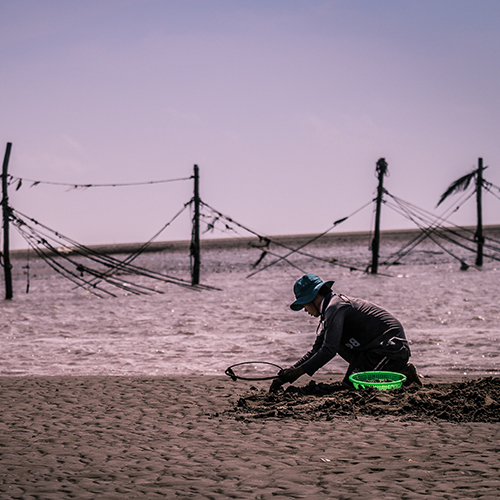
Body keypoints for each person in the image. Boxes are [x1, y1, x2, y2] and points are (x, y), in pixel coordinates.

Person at [270, 273, 421, 392]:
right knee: (336, 344)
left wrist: (298, 373)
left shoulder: (335, 308)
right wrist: (290, 372)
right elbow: (317, 349)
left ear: (313, 298)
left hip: (389, 348)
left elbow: (329, 350)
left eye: (304, 305)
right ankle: (400, 370)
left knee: (352, 386)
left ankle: (403, 372)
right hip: (370, 349)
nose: (305, 311)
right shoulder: (331, 309)